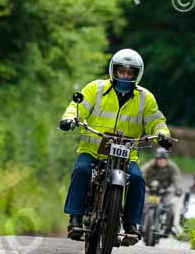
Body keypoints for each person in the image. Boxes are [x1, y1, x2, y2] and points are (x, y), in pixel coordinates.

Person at [59, 48, 172, 238]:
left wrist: (162, 134)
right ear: (114, 70)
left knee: (137, 179)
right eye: (122, 71)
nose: (125, 76)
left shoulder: (146, 97)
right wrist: (69, 119)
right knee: (82, 170)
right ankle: (75, 218)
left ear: (137, 74)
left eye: (130, 72)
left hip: (127, 155)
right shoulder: (96, 88)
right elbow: (78, 107)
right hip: (93, 149)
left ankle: (132, 224)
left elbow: (156, 120)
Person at [141, 147, 183, 234]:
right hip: (150, 191)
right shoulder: (149, 166)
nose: (161, 161)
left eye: (163, 159)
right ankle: (136, 224)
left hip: (164, 192)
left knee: (171, 206)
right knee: (140, 203)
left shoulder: (172, 167)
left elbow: (177, 178)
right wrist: (141, 185)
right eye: (159, 159)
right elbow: (142, 174)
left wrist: (178, 189)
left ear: (166, 159)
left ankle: (171, 226)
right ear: (156, 159)